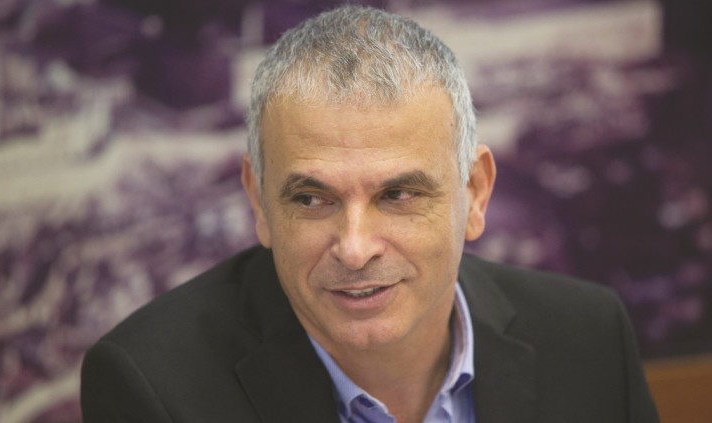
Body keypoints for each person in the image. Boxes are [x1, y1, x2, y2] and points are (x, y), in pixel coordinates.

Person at [80, 5, 659, 423]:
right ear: (259, 200)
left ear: (476, 193)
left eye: (398, 195)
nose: (354, 248)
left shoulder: (588, 337)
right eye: (311, 200)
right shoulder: (153, 388)